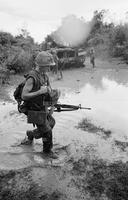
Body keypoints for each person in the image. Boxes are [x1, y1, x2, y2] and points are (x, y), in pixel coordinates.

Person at [21, 51, 59, 158]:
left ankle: (31, 134)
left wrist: (52, 105)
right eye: (48, 66)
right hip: (33, 109)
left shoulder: (45, 76)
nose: (49, 68)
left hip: (42, 108)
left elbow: (49, 93)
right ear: (41, 65)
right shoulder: (32, 77)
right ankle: (47, 152)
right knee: (47, 131)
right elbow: (24, 95)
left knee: (51, 122)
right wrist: (39, 92)